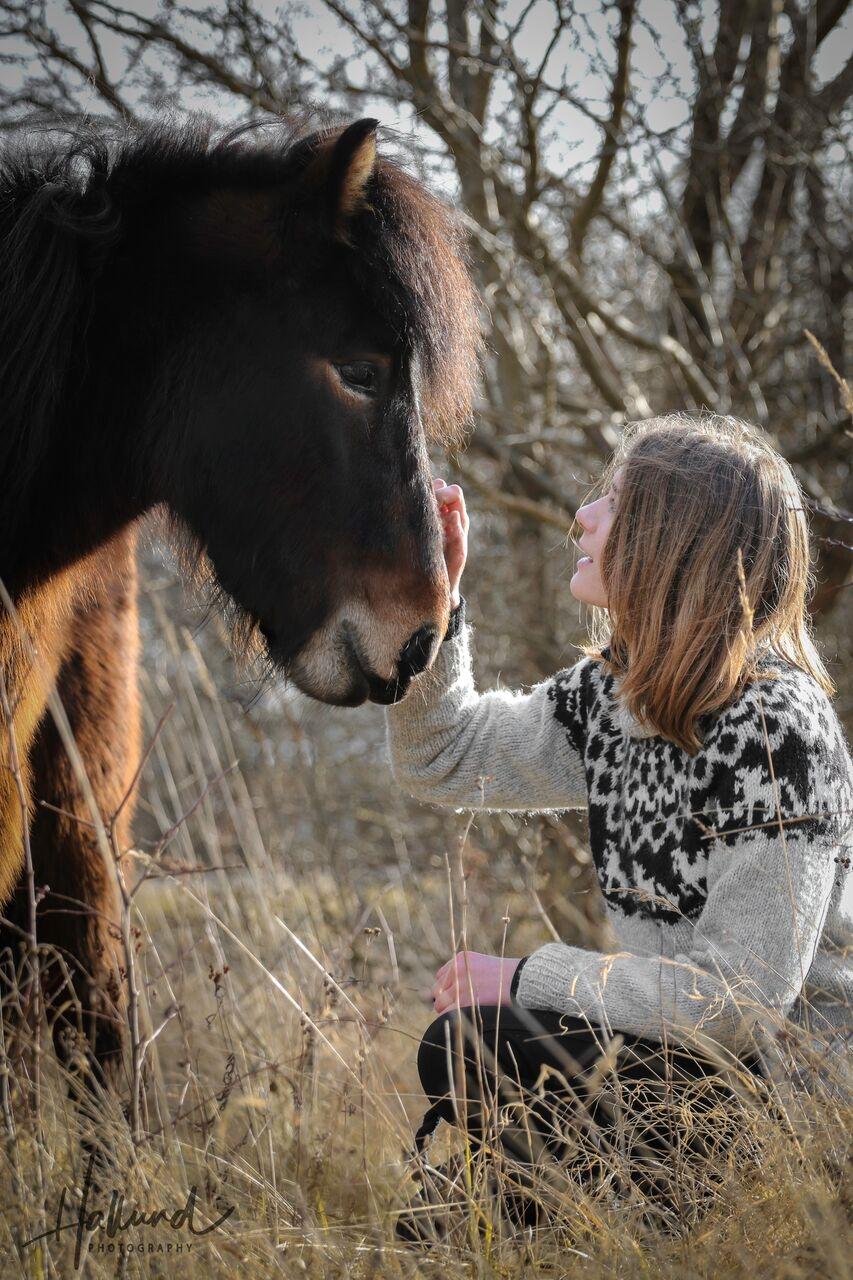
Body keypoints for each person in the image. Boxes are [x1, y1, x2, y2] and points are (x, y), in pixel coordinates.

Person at [385, 412, 853, 1239]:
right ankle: (539, 1232)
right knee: (461, 1047)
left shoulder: (777, 726)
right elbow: (443, 757)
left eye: (613, 500)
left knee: (520, 1035)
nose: (582, 517)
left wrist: (531, 975)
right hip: (679, 1061)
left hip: (798, 1096)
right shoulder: (613, 699)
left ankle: (577, 1227)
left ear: (673, 538)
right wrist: (434, 600)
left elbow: (735, 1004)